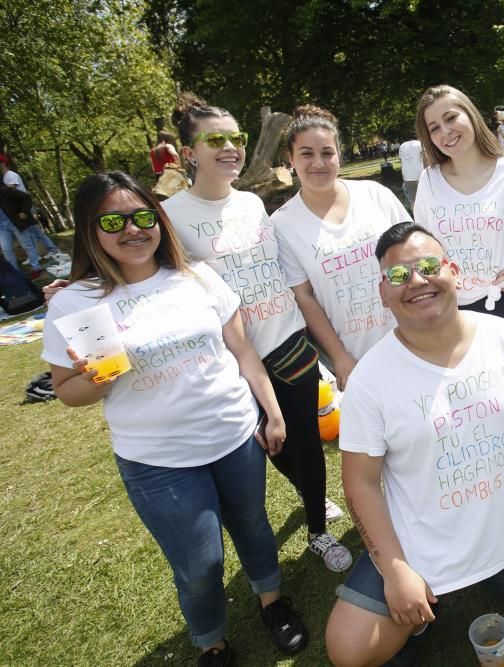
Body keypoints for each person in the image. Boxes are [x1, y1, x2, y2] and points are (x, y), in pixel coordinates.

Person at [42, 172, 309, 665]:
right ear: (89, 230)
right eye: (113, 221)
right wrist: (95, 377)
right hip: (157, 460)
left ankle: (273, 602)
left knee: (253, 527)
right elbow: (66, 392)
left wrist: (272, 412)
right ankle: (212, 642)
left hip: (235, 436)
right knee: (199, 564)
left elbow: (243, 351)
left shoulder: (197, 276)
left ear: (159, 220)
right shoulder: (75, 301)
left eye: (144, 216)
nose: (133, 230)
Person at [325, 221, 504, 666]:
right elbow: (360, 484)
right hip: (422, 542)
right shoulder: (370, 379)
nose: (418, 281)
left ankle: (487, 578)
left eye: (428, 266)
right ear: (384, 293)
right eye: (400, 276)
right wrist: (396, 570)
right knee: (349, 651)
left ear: (453, 270)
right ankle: (424, 601)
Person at [164, 94, 352, 573]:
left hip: (287, 340)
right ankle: (308, 495)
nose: (230, 148)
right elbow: (140, 267)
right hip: (231, 356)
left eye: (236, 138)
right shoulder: (170, 215)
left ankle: (317, 529)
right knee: (271, 443)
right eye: (215, 140)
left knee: (305, 440)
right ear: (189, 152)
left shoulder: (251, 202)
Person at [412, 84, 504, 490]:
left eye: (451, 118)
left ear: (470, 116)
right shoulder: (429, 182)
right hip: (459, 313)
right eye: (433, 127)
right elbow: (424, 247)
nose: (445, 131)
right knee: (486, 401)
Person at [273, 105, 411, 394]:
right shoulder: (281, 225)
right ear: (290, 159)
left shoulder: (375, 195)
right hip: (356, 357)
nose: (318, 163)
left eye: (327, 152)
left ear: (339, 154)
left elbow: (416, 256)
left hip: (413, 336)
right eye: (306, 154)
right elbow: (305, 297)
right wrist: (340, 357)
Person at [0, 161, 61, 258]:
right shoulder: (4, 177)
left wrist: (24, 210)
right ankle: (36, 255)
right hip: (19, 209)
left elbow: (12, 191)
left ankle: (53, 249)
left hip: (23, 207)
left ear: (3, 163)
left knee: (34, 231)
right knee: (31, 232)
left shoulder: (10, 175)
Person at [0, 182, 43, 278]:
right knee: (6, 250)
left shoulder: (6, 191)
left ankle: (36, 268)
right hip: (2, 227)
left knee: (27, 245)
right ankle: (15, 273)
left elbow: (26, 197)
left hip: (15, 223)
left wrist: (24, 211)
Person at [397, 135, 424, 209]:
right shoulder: (419, 144)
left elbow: (400, 160)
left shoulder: (402, 146)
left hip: (407, 177)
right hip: (420, 174)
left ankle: (416, 218)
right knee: (425, 197)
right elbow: (425, 158)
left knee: (413, 200)